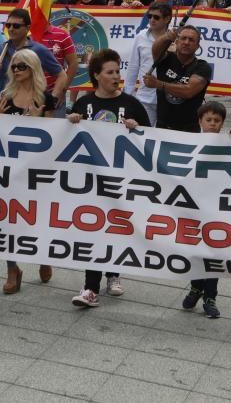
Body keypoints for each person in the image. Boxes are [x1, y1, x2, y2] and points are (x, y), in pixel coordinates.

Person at [69, 49, 150, 308]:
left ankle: (113, 272)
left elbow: (151, 139)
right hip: (91, 180)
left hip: (120, 180)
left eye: (118, 71)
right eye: (110, 72)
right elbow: (68, 140)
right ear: (96, 75)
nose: (116, 76)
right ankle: (90, 287)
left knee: (115, 226)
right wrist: (71, 122)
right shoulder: (84, 103)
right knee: (93, 228)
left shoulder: (131, 103)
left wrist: (137, 128)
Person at [0, 49, 57, 293]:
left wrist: (38, 121)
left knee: (38, 217)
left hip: (37, 169)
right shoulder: (6, 97)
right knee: (9, 221)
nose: (17, 70)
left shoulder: (45, 99)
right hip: (9, 169)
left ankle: (44, 257)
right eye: (14, 66)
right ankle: (12, 269)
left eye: (22, 66)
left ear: (33, 68)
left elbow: (54, 137)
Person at [178, 100, 228, 319]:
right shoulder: (189, 143)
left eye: (217, 121)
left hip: (218, 210)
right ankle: (196, 287)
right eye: (208, 120)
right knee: (197, 252)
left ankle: (210, 296)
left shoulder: (229, 146)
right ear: (200, 121)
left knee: (215, 253)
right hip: (195, 208)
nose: (213, 124)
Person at [0, 8, 67, 96]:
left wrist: (53, 99)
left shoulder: (38, 50)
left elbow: (62, 76)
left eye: (16, 26)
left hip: (31, 105)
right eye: (8, 25)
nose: (11, 29)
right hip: (6, 104)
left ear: (27, 28)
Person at [144, 25, 211, 132]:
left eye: (191, 40)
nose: (186, 42)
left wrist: (157, 84)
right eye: (183, 38)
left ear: (197, 46)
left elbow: (188, 91)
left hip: (189, 130)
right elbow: (155, 49)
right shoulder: (166, 58)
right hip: (162, 127)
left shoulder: (202, 67)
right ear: (176, 41)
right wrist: (166, 37)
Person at [124, 2, 171, 125]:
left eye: (156, 17)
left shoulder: (174, 39)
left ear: (167, 19)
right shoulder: (140, 36)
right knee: (142, 133)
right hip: (144, 96)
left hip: (167, 99)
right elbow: (133, 67)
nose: (151, 20)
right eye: (149, 16)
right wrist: (128, 95)